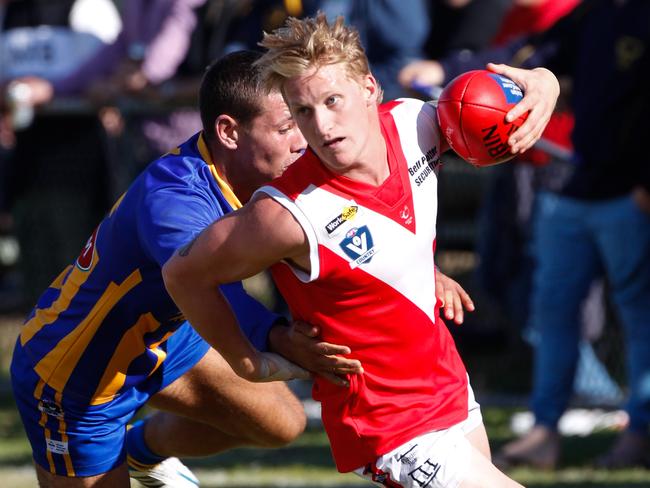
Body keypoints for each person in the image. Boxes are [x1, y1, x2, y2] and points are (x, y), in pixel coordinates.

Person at [162, 13, 559, 487]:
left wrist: (545, 85)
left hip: (448, 387)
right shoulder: (288, 214)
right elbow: (184, 274)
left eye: (333, 101)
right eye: (302, 112)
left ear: (370, 90)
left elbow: (501, 89)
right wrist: (246, 360)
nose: (323, 126)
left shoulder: (417, 125)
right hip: (392, 428)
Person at [10, 50, 369, 488]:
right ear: (229, 132)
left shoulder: (261, 174)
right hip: (75, 377)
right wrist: (277, 337)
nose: (303, 139)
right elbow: (205, 283)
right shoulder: (174, 200)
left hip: (163, 338)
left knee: (283, 423)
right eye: (285, 127)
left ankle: (141, 452)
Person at [400, 0, 650, 469]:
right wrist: (452, 69)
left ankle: (640, 432)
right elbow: (528, 56)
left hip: (630, 196)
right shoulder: (594, 14)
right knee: (550, 316)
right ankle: (544, 431)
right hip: (573, 185)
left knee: (641, 320)